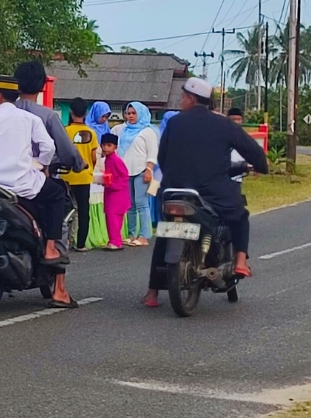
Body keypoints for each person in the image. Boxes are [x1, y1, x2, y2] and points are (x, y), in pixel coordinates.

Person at [147, 78, 269, 307]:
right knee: (240, 216)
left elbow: (162, 158)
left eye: (183, 97)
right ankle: (241, 260)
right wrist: (263, 166)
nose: (181, 101)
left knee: (165, 234)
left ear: (192, 99)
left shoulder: (174, 123)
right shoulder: (224, 124)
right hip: (211, 193)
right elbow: (253, 151)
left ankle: (152, 293)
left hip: (173, 192)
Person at [0, 75, 78, 308]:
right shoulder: (29, 119)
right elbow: (48, 147)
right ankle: (50, 248)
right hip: (20, 184)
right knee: (57, 194)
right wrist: (40, 164)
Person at [13, 61, 83, 308]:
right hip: (35, 181)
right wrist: (78, 164)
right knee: (62, 219)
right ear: (43, 85)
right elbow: (66, 151)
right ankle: (59, 288)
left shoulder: (0, 113)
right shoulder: (47, 116)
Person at [118, 102, 159, 247]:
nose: (130, 116)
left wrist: (149, 169)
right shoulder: (124, 130)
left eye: (134, 113)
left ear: (140, 114)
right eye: (128, 113)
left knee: (142, 203)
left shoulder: (148, 131)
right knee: (130, 205)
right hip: (126, 172)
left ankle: (144, 236)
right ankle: (131, 234)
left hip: (142, 171)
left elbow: (152, 152)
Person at [65, 98, 100, 251]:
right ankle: (81, 244)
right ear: (85, 113)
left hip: (67, 176)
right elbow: (93, 156)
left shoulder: (65, 131)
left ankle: (65, 241)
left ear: (71, 113)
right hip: (84, 176)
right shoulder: (91, 132)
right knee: (84, 210)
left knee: (66, 210)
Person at [100, 133, 130, 250]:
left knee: (113, 217)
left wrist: (112, 184)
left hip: (117, 193)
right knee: (111, 217)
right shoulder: (108, 159)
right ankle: (114, 240)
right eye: (104, 145)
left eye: (109, 145)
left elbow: (124, 176)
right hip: (111, 192)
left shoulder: (116, 160)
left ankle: (115, 241)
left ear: (115, 147)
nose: (106, 148)